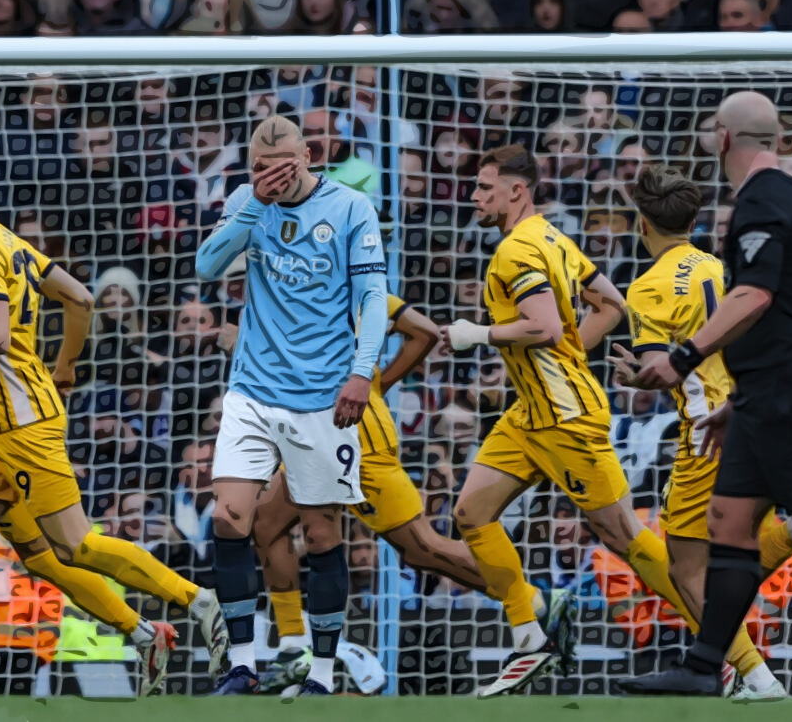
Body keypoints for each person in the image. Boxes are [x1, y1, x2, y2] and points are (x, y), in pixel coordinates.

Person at [0, 138, 226, 697]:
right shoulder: (7, 240)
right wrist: (66, 368)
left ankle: (197, 600)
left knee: (75, 547)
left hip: (22, 423)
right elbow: (78, 297)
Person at [440, 144, 709, 698]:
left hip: (566, 417)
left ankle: (731, 649)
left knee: (625, 536)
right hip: (529, 413)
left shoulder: (516, 251)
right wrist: (564, 357)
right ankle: (530, 632)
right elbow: (611, 306)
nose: (474, 197)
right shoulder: (556, 240)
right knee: (471, 512)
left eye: (485, 187)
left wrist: (477, 333)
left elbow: (542, 328)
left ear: (518, 190)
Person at [619, 92, 792, 695]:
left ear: (720, 139)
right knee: (731, 521)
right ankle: (701, 668)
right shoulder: (784, 199)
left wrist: (684, 356)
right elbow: (779, 313)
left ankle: (743, 674)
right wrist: (735, 406)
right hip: (754, 398)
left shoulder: (762, 199)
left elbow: (757, 297)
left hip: (789, 392)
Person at [216, 292, 501, 692]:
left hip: (357, 437)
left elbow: (422, 332)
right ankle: (296, 644)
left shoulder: (351, 286)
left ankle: (531, 600)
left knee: (422, 548)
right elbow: (417, 333)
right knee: (266, 523)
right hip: (312, 431)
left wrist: (374, 384)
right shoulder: (290, 293)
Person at [194, 116, 388, 696]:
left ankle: (323, 674)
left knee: (322, 535)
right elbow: (207, 267)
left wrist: (360, 372)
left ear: (308, 156)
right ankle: (243, 666)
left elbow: (374, 297)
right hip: (252, 388)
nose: (270, 176)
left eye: (281, 166)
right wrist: (253, 201)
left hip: (323, 396)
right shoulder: (247, 201)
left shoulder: (351, 208)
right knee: (229, 518)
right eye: (258, 167)